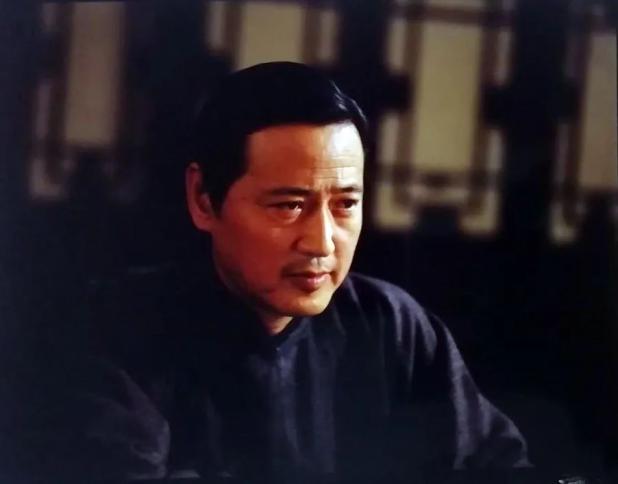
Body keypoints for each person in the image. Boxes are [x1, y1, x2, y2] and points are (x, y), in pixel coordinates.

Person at [4, 62, 529, 483]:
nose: (321, 242)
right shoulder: (114, 330)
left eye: (345, 204)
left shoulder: (392, 328)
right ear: (203, 199)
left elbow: (496, 468)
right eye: (288, 206)